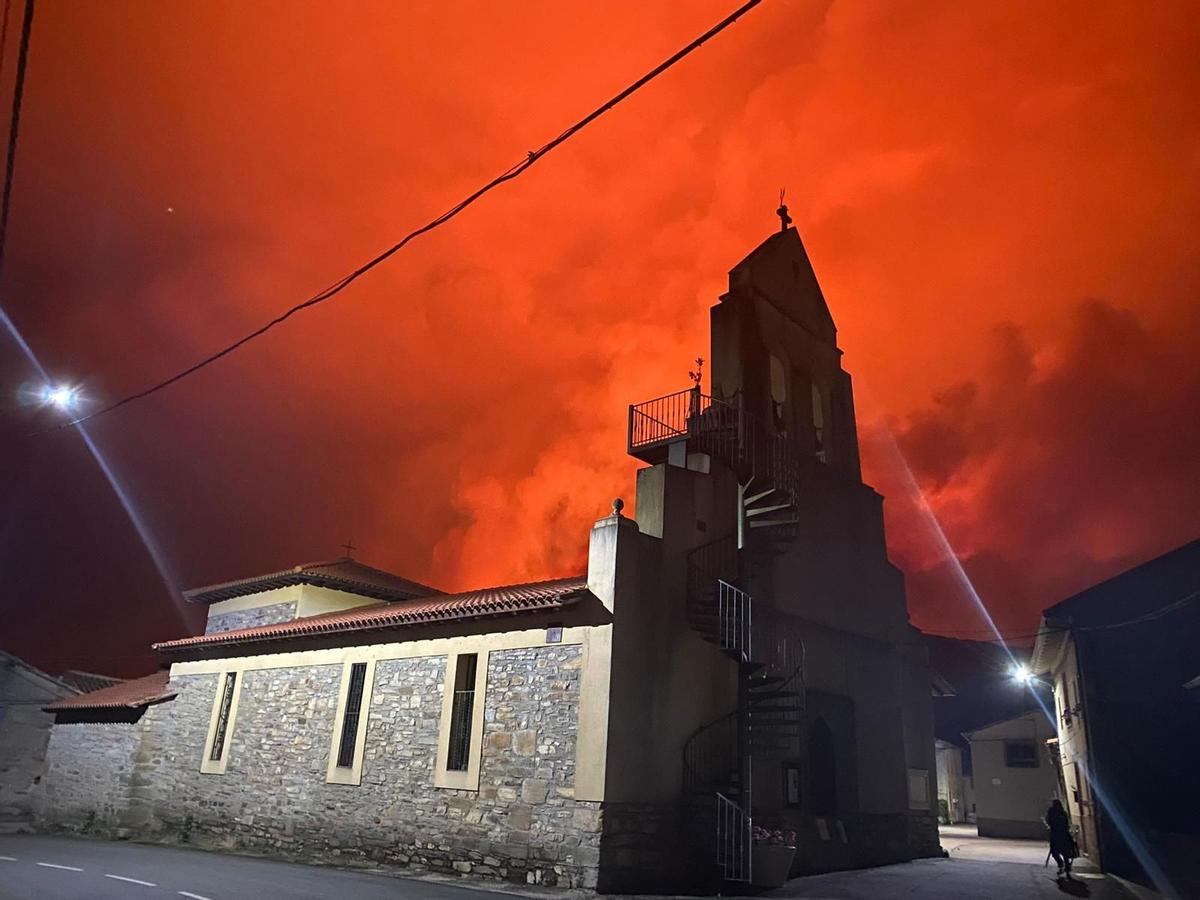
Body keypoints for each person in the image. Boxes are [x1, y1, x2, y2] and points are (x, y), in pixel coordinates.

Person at [1046, 798, 1075, 877]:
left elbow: (1049, 822)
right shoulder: (1063, 813)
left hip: (1056, 834)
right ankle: (1066, 866)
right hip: (1063, 835)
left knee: (1055, 852)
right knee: (1064, 852)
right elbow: (1066, 824)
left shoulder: (1052, 812)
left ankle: (1061, 865)